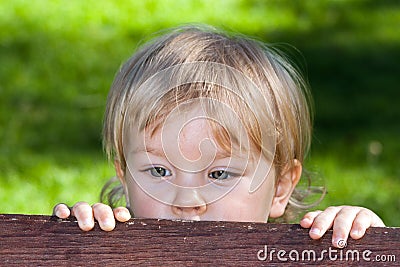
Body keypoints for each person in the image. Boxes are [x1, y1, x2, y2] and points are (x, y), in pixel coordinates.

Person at [53, 25, 384, 248]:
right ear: (124, 177)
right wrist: (76, 243)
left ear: (280, 187)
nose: (187, 202)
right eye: (159, 171)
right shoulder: (115, 251)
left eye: (218, 173)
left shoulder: (301, 256)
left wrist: (369, 241)